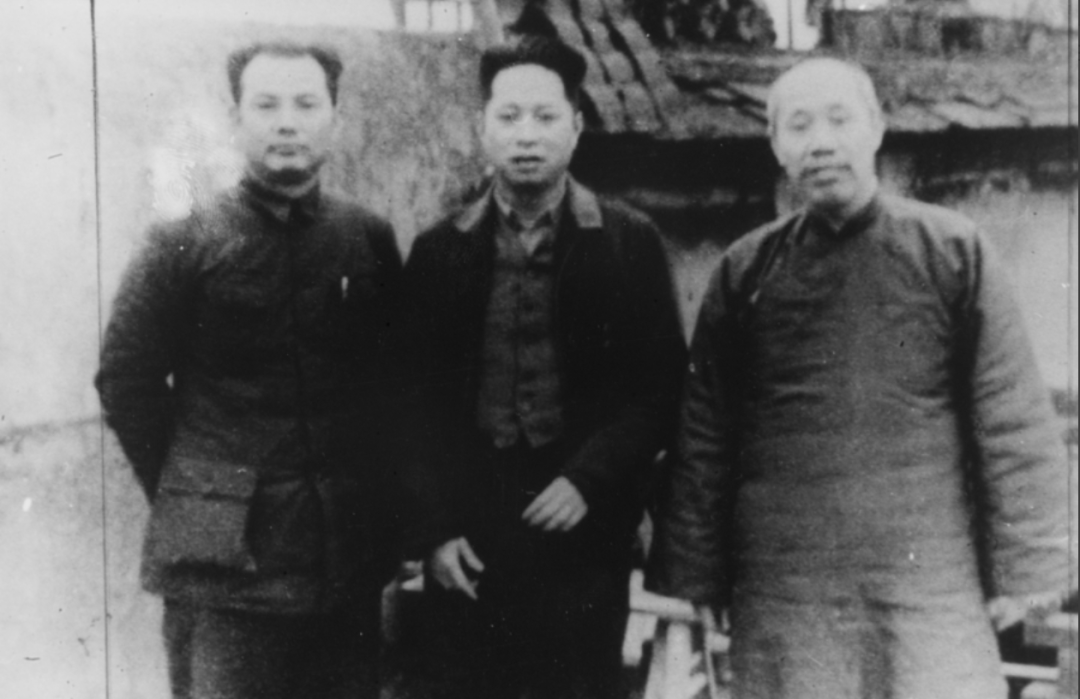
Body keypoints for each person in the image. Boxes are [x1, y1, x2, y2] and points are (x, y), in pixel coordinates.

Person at [648, 57, 1071, 699]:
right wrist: (698, 574)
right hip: (787, 580)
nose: (821, 142)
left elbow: (1009, 412)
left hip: (927, 575)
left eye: (839, 120)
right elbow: (704, 434)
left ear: (875, 127)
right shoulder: (744, 271)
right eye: (799, 126)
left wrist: (1028, 565)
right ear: (776, 145)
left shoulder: (953, 250)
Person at [96, 41, 402, 699]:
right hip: (224, 572)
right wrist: (196, 490)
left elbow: (390, 385)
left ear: (335, 118)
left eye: (306, 104)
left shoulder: (365, 237)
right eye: (266, 105)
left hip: (342, 561)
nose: (287, 122)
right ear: (236, 120)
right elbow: (126, 379)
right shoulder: (181, 242)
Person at [396, 34, 686, 699]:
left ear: (577, 127)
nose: (526, 134)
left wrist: (589, 478)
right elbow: (409, 405)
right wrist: (435, 532)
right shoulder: (439, 251)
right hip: (469, 542)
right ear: (483, 128)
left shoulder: (628, 242)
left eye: (546, 116)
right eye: (509, 116)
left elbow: (661, 388)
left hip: (583, 537)